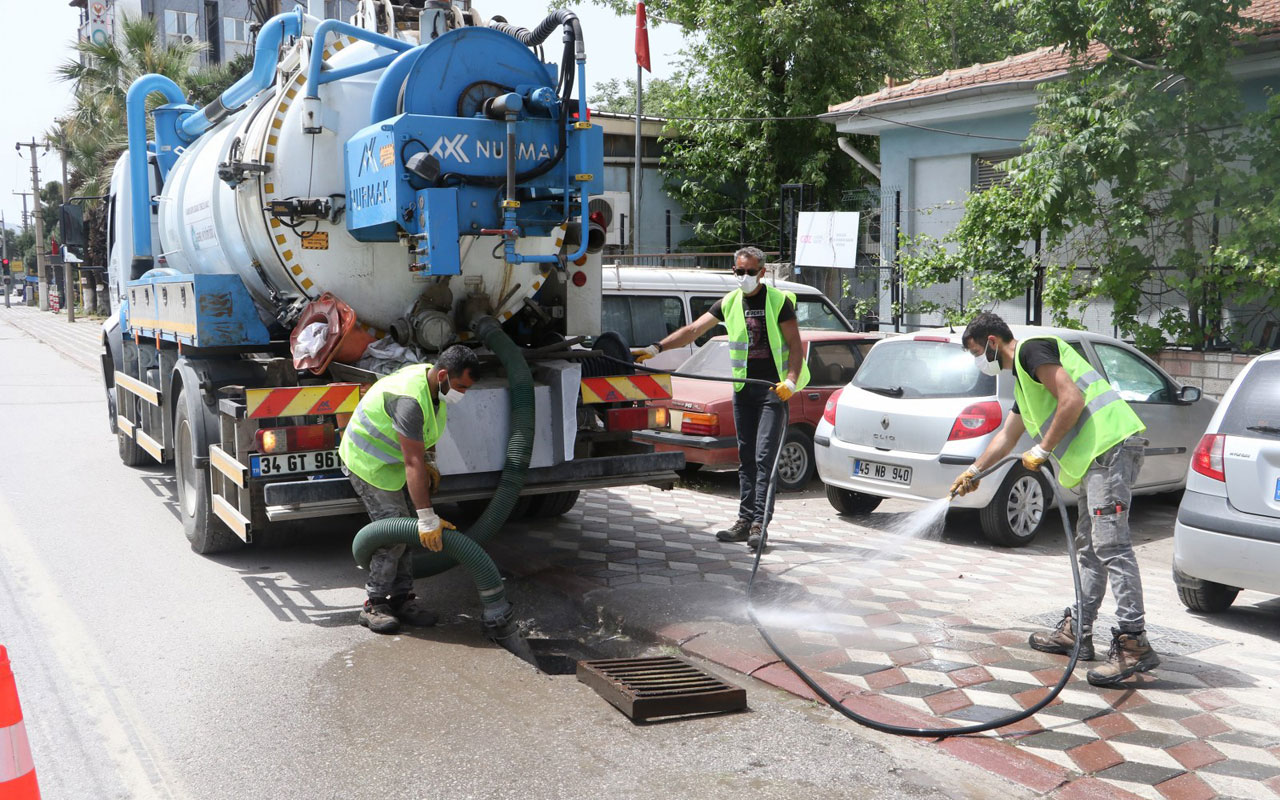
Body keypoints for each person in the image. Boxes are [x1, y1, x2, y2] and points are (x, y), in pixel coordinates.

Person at [951, 312, 1156, 686]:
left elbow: (1072, 397)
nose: (977, 360)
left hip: (1111, 448)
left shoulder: (1032, 351)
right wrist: (974, 473)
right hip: (1097, 457)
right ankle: (1078, 629)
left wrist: (1043, 449)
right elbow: (1007, 438)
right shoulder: (1024, 384)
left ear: (993, 342)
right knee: (1090, 548)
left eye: (977, 352)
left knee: (1111, 545)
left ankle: (1134, 642)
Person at [633, 246, 809, 551]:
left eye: (749, 272)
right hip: (743, 391)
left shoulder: (778, 302)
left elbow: (795, 345)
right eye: (738, 272)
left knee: (764, 458)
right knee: (746, 459)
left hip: (772, 391)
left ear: (762, 273)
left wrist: (790, 382)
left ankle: (759, 524)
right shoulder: (729, 303)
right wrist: (657, 348)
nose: (743, 277)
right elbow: (693, 329)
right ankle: (743, 521)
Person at [338, 344, 480, 635]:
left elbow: (425, 437)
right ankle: (374, 603)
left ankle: (402, 599)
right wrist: (427, 517)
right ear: (442, 375)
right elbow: (412, 461)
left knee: (408, 533)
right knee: (394, 535)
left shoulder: (433, 388)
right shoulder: (410, 399)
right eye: (460, 386)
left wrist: (430, 461)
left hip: (392, 461)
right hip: (368, 461)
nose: (462, 394)